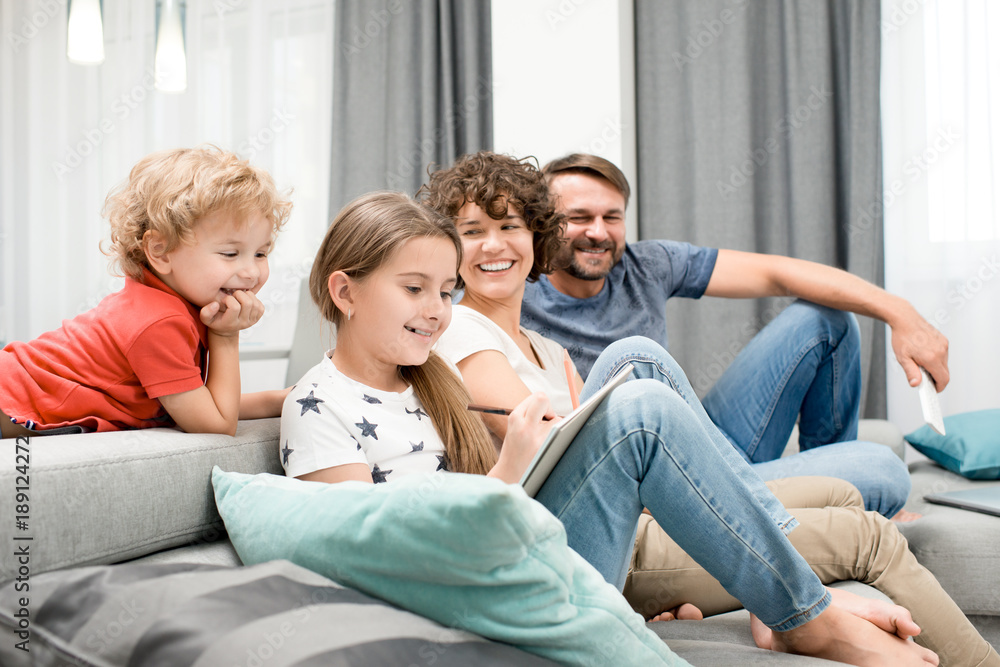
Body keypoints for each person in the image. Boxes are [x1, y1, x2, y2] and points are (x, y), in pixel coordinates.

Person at [281, 190, 941, 666]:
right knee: (639, 383)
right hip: (512, 567)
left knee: (859, 474)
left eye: (440, 290)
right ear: (345, 292)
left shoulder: (428, 377)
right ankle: (799, 607)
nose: (437, 310)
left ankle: (782, 589)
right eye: (417, 289)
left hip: (560, 533)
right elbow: (374, 548)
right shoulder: (410, 365)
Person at [421, 152, 999, 666]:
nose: (493, 244)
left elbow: (589, 452)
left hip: (642, 494)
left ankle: (766, 564)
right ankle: (788, 595)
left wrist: (898, 311)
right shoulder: (460, 329)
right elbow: (552, 450)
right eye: (473, 232)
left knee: (856, 486)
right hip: (588, 533)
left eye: (509, 227)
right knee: (639, 360)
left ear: (534, 238)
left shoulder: (548, 344)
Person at [518, 152, 945, 517]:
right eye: (577, 218)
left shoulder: (648, 264)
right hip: (647, 476)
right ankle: (823, 499)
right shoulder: (518, 292)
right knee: (884, 470)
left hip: (705, 442)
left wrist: (900, 313)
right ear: (543, 224)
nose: (598, 231)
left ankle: (826, 491)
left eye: (611, 217)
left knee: (825, 320)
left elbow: (777, 273)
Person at [0, 146, 292, 439]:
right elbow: (216, 425)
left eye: (260, 253)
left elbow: (201, 402)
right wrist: (226, 337)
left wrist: (280, 399)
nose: (251, 272)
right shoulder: (160, 322)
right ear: (160, 252)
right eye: (230, 253)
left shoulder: (169, 304)